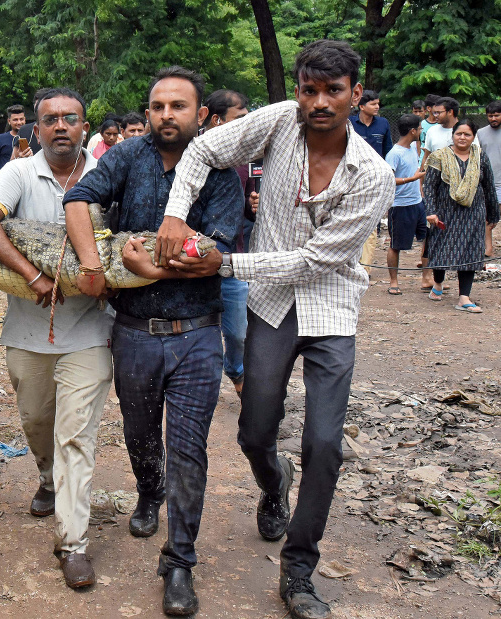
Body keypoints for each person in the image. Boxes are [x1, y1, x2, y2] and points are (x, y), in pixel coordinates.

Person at [154, 40, 395, 619]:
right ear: (297, 90)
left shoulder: (374, 174)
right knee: (255, 431)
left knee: (325, 443)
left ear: (355, 95)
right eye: (309, 89)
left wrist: (226, 263)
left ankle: (299, 571)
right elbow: (202, 151)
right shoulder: (277, 124)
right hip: (269, 304)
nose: (319, 102)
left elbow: (316, 262)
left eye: (333, 91)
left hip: (331, 308)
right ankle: (273, 481)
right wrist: (175, 212)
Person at [65, 66, 243, 616]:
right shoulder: (128, 156)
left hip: (196, 336)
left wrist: (147, 268)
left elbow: (213, 254)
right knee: (141, 434)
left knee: (188, 449)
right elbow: (78, 197)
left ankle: (180, 561)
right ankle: (148, 492)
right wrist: (96, 263)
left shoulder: (221, 174)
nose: (167, 114)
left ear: (201, 116)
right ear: (148, 113)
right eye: (158, 106)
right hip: (134, 333)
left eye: (179, 106)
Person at [0, 87, 113, 590]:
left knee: (76, 436)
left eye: (70, 118)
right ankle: (47, 478)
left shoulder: (105, 174)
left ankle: (72, 544)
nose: (60, 127)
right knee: (35, 420)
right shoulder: (18, 172)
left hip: (90, 328)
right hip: (27, 329)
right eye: (50, 119)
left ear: (84, 126)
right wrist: (31, 275)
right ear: (36, 128)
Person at [202, 88, 252, 396]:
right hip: (193, 263)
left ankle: (235, 370)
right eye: (241, 119)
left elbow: (241, 210)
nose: (248, 125)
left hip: (233, 261)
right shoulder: (192, 156)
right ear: (217, 120)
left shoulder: (243, 158)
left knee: (239, 334)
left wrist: (252, 207)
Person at [424, 119, 499, 313]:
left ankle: (464, 297)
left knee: (471, 253)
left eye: (467, 134)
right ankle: (438, 283)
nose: (462, 138)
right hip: (445, 212)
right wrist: (431, 211)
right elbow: (430, 187)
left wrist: (493, 214)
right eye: (459, 134)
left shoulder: (480, 157)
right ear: (453, 135)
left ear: (473, 137)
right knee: (441, 248)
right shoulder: (439, 156)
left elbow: (488, 185)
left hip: (473, 212)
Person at [385, 114, 429, 295]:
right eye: (419, 128)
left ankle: (427, 277)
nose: (421, 131)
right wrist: (412, 178)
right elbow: (388, 180)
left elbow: (416, 167)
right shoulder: (394, 154)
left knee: (429, 238)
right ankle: (393, 281)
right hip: (400, 206)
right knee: (396, 245)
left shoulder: (413, 147)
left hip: (418, 203)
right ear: (412, 131)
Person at [351, 90, 393, 276]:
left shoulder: (383, 124)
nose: (377, 107)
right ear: (361, 106)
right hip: (351, 179)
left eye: (378, 103)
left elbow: (388, 151)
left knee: (372, 224)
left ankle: (365, 269)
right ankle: (350, 264)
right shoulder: (349, 123)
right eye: (373, 104)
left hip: (375, 180)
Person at [476, 100, 501, 258]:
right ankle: (488, 249)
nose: (493, 118)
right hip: (488, 182)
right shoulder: (480, 133)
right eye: (490, 116)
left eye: (496, 115)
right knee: (488, 218)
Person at [0, 104, 25, 182]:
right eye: (15, 120)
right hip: (4, 181)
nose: (19, 122)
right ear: (9, 121)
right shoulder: (1, 139)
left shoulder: (31, 137)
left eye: (21, 119)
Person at [423, 97, 464, 162]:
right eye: (434, 113)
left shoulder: (466, 131)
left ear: (450, 112)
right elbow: (426, 157)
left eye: (438, 113)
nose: (435, 115)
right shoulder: (432, 131)